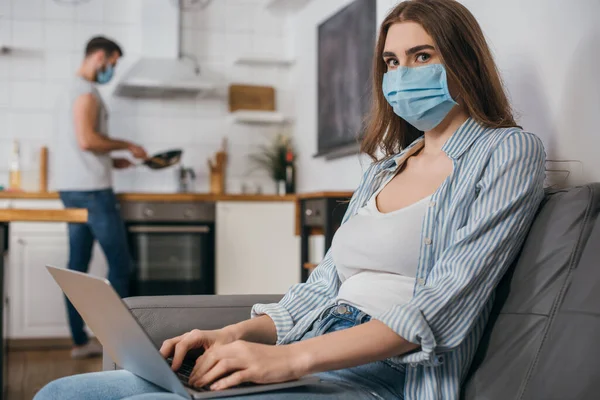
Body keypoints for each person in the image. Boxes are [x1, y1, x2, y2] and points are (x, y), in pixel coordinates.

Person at [36, 0, 546, 398]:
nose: (402, 74)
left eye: (422, 56)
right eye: (392, 61)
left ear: (463, 59)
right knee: (60, 391)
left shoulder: (507, 151)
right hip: (312, 345)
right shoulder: (384, 171)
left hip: (382, 374)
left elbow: (442, 308)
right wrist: (235, 335)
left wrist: (286, 361)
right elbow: (321, 288)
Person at [52, 36, 148, 359]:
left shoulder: (71, 89)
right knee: (121, 264)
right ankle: (119, 344)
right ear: (98, 57)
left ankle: (80, 341)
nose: (113, 69)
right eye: (113, 62)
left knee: (76, 266)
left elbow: (85, 143)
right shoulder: (85, 91)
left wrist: (112, 160)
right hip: (93, 191)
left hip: (73, 187)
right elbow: (87, 139)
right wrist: (126, 145)